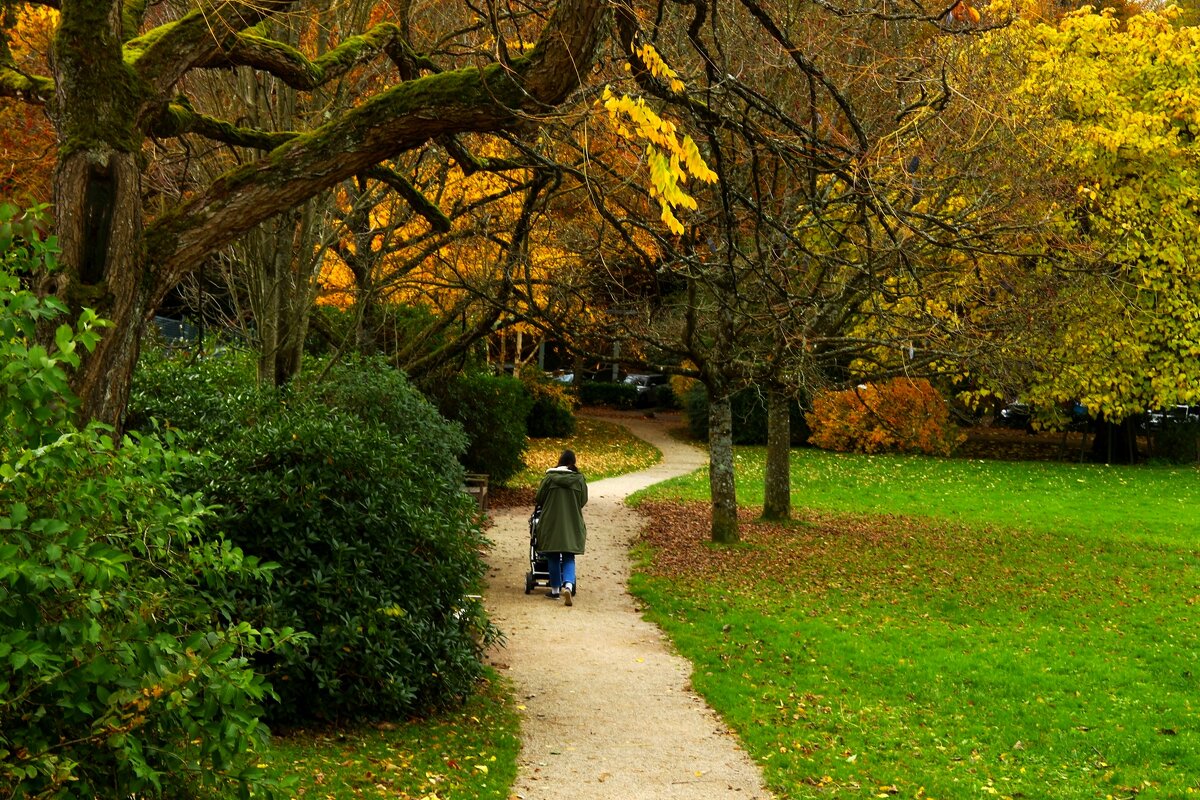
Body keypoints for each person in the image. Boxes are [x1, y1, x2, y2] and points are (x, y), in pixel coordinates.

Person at [534, 449, 587, 606]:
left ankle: (555, 590)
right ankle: (569, 585)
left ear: (560, 461)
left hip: (551, 522)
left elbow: (539, 498)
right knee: (569, 556)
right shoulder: (579, 480)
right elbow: (583, 500)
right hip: (571, 522)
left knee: (553, 555)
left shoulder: (550, 478)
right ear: (573, 462)